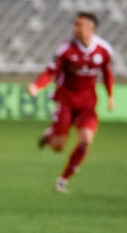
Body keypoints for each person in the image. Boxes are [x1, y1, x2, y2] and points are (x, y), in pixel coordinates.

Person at [28, 11, 115, 193]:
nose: (75, 29)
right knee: (59, 147)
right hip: (66, 101)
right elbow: (50, 71)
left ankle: (63, 179)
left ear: (90, 28)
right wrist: (37, 86)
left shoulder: (104, 50)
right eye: (75, 25)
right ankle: (51, 134)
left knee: (86, 140)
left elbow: (107, 74)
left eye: (79, 25)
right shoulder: (66, 49)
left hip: (88, 104)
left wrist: (111, 96)